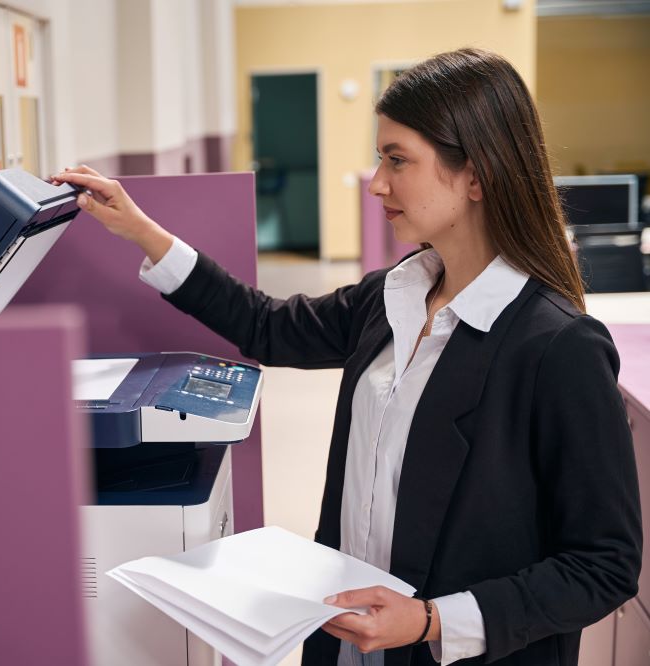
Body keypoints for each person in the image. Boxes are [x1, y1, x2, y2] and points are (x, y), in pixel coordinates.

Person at [53, 48, 641, 666]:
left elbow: (604, 564)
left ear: (476, 175)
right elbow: (266, 325)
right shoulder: (396, 294)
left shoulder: (558, 347)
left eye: (397, 160)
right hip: (349, 642)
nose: (378, 182)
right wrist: (144, 232)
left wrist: (432, 621)